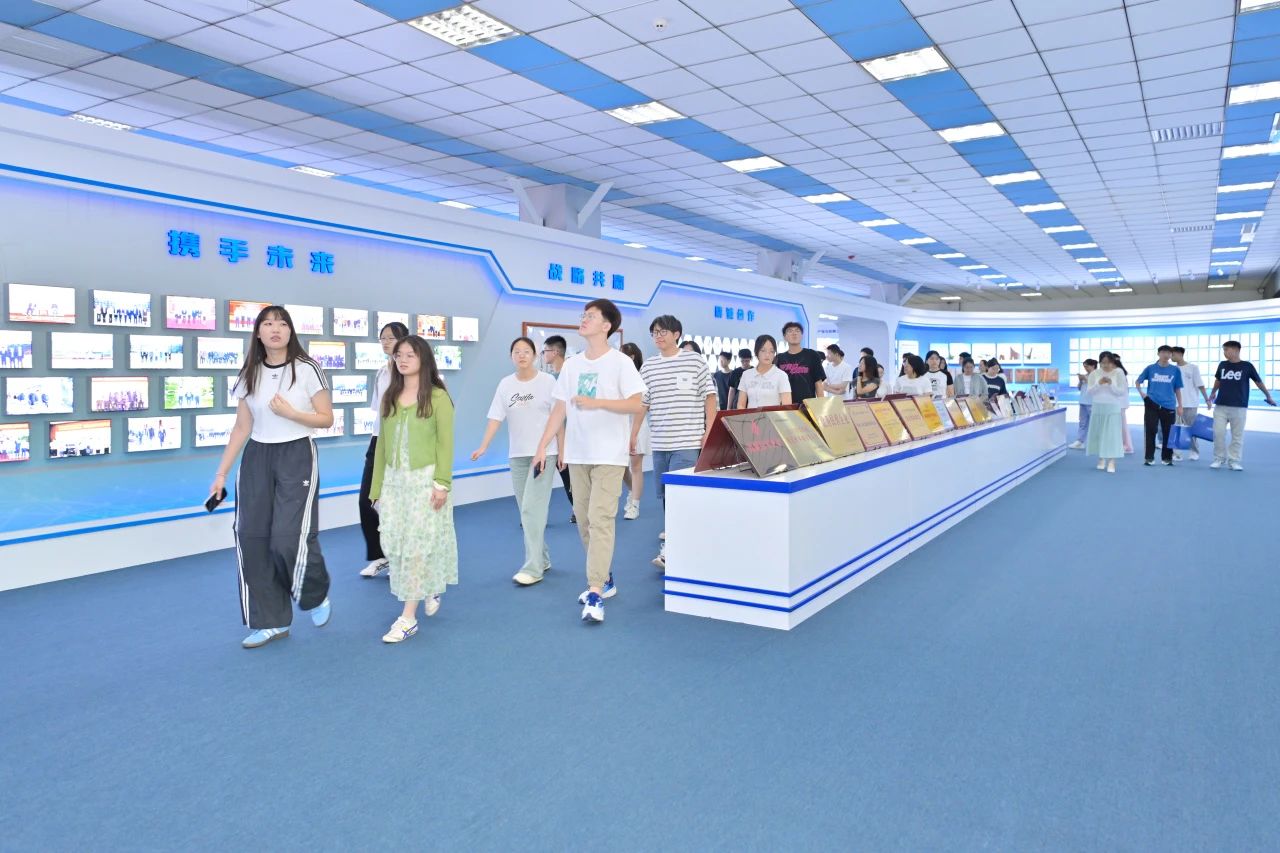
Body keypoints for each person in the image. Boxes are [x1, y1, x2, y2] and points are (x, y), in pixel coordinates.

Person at [209, 306, 333, 650]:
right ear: (258, 332)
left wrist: (292, 413)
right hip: (257, 457)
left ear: (290, 331)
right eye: (267, 323)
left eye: (281, 323)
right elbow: (241, 427)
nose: (275, 329)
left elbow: (326, 418)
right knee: (252, 538)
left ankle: (315, 593)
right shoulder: (249, 372)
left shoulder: (306, 368)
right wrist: (221, 473)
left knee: (287, 538)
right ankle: (271, 621)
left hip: (296, 454)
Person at [532, 299, 645, 624]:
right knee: (584, 521)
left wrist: (598, 403)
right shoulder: (572, 365)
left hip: (610, 455)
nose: (584, 320)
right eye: (583, 315)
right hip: (578, 454)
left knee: (600, 519)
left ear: (606, 325)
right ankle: (605, 578)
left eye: (591, 316)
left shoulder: (621, 362)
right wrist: (542, 446)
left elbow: (636, 404)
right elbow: (559, 409)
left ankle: (595, 591)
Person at [369, 336, 458, 643]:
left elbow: (445, 444)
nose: (403, 360)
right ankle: (427, 586)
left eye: (410, 354)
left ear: (424, 359)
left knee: (417, 546)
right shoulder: (390, 396)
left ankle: (408, 618)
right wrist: (376, 488)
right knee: (395, 544)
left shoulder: (438, 397)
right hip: (395, 482)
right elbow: (381, 445)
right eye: (399, 355)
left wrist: (442, 484)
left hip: (425, 481)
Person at [471, 337, 562, 586]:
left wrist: (561, 449)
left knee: (532, 509)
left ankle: (533, 568)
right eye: (516, 352)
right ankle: (542, 557)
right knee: (526, 509)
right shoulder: (506, 384)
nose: (521, 355)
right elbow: (495, 417)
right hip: (518, 455)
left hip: (543, 453)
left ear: (535, 355)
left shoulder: (547, 382)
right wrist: (484, 445)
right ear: (511, 356)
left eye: (526, 351)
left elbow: (558, 418)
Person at [636, 314, 717, 570]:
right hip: (660, 443)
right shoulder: (649, 366)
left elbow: (710, 397)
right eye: (655, 333)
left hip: (687, 441)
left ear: (676, 334)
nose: (658, 336)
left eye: (663, 332)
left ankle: (674, 549)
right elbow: (642, 403)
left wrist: (709, 430)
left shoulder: (694, 361)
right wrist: (633, 433)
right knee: (666, 496)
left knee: (680, 495)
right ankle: (685, 542)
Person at [358, 322, 409, 578]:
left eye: (391, 338)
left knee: (401, 502)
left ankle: (404, 557)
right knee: (367, 499)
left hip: (405, 442)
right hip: (379, 440)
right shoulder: (381, 372)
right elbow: (378, 412)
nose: (386, 342)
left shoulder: (412, 372)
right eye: (383, 338)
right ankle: (381, 556)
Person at [1209, 339, 1277, 470]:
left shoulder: (1247, 366)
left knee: (1237, 435)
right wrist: (1213, 393)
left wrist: (1268, 396)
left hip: (1239, 406)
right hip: (1221, 405)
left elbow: (1258, 382)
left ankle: (1234, 461)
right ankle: (1219, 458)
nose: (1224, 352)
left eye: (1226, 350)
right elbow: (1218, 380)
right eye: (1223, 350)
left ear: (1236, 350)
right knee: (1218, 433)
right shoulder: (1222, 364)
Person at [543, 335, 575, 522]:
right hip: (551, 435)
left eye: (545, 351)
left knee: (568, 474)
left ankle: (579, 509)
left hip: (567, 435)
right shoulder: (549, 378)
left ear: (555, 352)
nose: (543, 354)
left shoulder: (566, 376)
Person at [1134, 345, 1184, 466]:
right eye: (1163, 352)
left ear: (1171, 355)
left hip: (1169, 405)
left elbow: (1177, 388)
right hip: (1152, 403)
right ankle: (1149, 458)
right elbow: (1138, 381)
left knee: (1168, 432)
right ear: (1158, 354)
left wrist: (1180, 405)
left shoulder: (1175, 370)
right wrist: (1142, 394)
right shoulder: (1150, 368)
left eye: (1169, 353)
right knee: (1151, 431)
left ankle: (1167, 458)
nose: (1166, 355)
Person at [619, 342, 650, 521]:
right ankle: (632, 491)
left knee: (636, 467)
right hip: (619, 426)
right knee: (620, 466)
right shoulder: (617, 376)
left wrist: (634, 432)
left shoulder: (641, 377)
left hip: (637, 426)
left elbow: (644, 406)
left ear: (631, 357)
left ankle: (635, 505)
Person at [1086, 352, 1127, 473]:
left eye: (1108, 362)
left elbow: (1121, 392)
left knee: (1112, 435)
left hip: (1112, 407)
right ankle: (1101, 458)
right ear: (1099, 363)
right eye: (1103, 362)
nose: (1106, 365)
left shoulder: (1119, 372)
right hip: (1098, 407)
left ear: (1113, 362)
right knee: (1099, 434)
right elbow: (1090, 392)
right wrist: (1099, 383)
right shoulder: (1094, 374)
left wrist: (1111, 384)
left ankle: (1112, 461)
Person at [1170, 346, 1210, 462]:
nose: (1171, 357)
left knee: (1191, 428)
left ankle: (1194, 451)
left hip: (1190, 403)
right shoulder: (1171, 369)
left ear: (1179, 354)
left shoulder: (1193, 368)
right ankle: (1177, 454)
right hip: (1175, 404)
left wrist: (1207, 399)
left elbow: (1200, 385)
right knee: (1176, 428)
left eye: (1173, 354)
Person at [774, 321, 826, 403]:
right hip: (786, 405)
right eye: (790, 331)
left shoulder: (812, 355)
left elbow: (818, 382)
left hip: (808, 405)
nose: (794, 333)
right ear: (785, 337)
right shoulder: (779, 358)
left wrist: (822, 404)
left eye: (797, 331)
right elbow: (776, 386)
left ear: (802, 335)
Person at [736, 334, 792, 408]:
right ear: (756, 352)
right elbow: (741, 404)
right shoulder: (746, 374)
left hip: (773, 415)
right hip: (750, 415)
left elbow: (787, 407)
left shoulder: (781, 375)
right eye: (763, 350)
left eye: (771, 351)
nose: (767, 355)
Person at [1068, 358, 1097, 450]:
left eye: (1087, 366)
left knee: (1095, 423)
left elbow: (1096, 388)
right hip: (1083, 402)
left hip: (1092, 403)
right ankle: (1080, 442)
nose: (1085, 368)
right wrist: (1081, 380)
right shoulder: (1085, 376)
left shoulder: (1097, 375)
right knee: (1082, 423)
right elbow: (1079, 388)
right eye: (1084, 366)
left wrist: (1086, 379)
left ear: (1093, 366)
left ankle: (1098, 442)